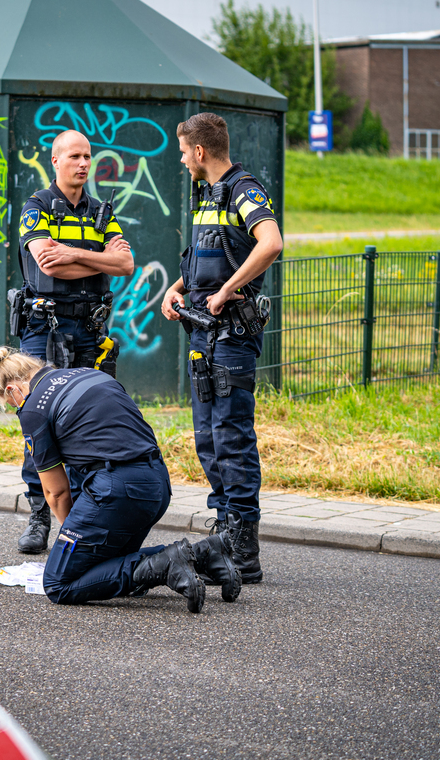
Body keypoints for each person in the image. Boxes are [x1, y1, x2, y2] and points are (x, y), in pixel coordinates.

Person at [0, 345, 242, 612]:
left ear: (12, 390)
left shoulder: (33, 408)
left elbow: (55, 493)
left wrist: (73, 537)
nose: (18, 408)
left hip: (118, 491)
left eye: (13, 405)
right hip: (157, 484)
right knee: (106, 568)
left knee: (58, 583)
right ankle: (205, 553)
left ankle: (168, 564)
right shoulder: (91, 374)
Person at [160, 112, 283, 584]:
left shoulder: (241, 189)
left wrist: (228, 289)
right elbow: (204, 263)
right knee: (208, 440)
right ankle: (226, 525)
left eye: (182, 149)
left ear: (200, 151)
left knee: (232, 439)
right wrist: (176, 290)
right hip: (202, 336)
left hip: (231, 337)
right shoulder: (205, 194)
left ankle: (243, 547)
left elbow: (270, 243)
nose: (180, 157)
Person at [11, 129, 134, 556]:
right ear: (56, 162)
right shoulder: (38, 207)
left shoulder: (102, 212)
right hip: (44, 329)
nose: (83, 164)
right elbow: (47, 265)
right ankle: (38, 515)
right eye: (75, 157)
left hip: (89, 331)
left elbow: (126, 264)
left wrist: (75, 254)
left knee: (88, 419)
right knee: (39, 419)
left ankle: (81, 511)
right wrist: (96, 259)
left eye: (88, 157)